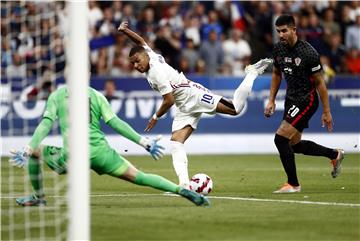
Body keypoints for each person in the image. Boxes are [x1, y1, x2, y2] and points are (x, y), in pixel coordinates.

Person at [118, 21, 272, 189]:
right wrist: (125, 31)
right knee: (176, 143)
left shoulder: (156, 73)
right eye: (133, 63)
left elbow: (168, 100)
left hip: (194, 95)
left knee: (235, 109)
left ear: (145, 56)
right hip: (183, 107)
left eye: (137, 61)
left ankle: (251, 73)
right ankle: (184, 184)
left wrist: (155, 117)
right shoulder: (148, 54)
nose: (135, 66)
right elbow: (140, 42)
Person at [9, 85, 209, 207]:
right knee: (138, 176)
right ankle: (180, 190)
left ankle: (38, 197)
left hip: (72, 157)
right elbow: (115, 122)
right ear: (86, 73)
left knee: (37, 152)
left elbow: (45, 124)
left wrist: (28, 149)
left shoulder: (57, 95)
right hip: (101, 154)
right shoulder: (96, 95)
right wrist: (144, 142)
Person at [264, 14, 345, 194]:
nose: (281, 35)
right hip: (291, 99)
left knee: (280, 139)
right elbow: (277, 74)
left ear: (294, 30)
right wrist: (271, 100)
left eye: (284, 31)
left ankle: (293, 184)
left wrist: (327, 111)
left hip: (307, 100)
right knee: (294, 145)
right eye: (278, 31)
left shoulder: (308, 52)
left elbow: (320, 83)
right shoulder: (278, 49)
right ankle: (335, 155)